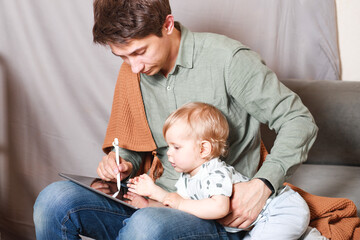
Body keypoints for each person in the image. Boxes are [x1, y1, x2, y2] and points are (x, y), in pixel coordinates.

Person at [33, 0, 318, 239]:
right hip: (153, 197)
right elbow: (137, 143)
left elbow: (298, 119)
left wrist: (263, 184)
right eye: (122, 57)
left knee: (145, 227)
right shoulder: (134, 72)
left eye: (139, 52)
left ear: (167, 25)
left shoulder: (227, 59)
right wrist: (123, 163)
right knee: (53, 200)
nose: (134, 67)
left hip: (215, 213)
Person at [126, 102, 310, 239]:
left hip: (281, 210)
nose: (169, 154)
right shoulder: (186, 178)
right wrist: (148, 204)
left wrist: (166, 197)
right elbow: (179, 206)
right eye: (168, 147)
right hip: (261, 221)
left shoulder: (215, 172)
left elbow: (219, 208)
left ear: (203, 149)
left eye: (176, 147)